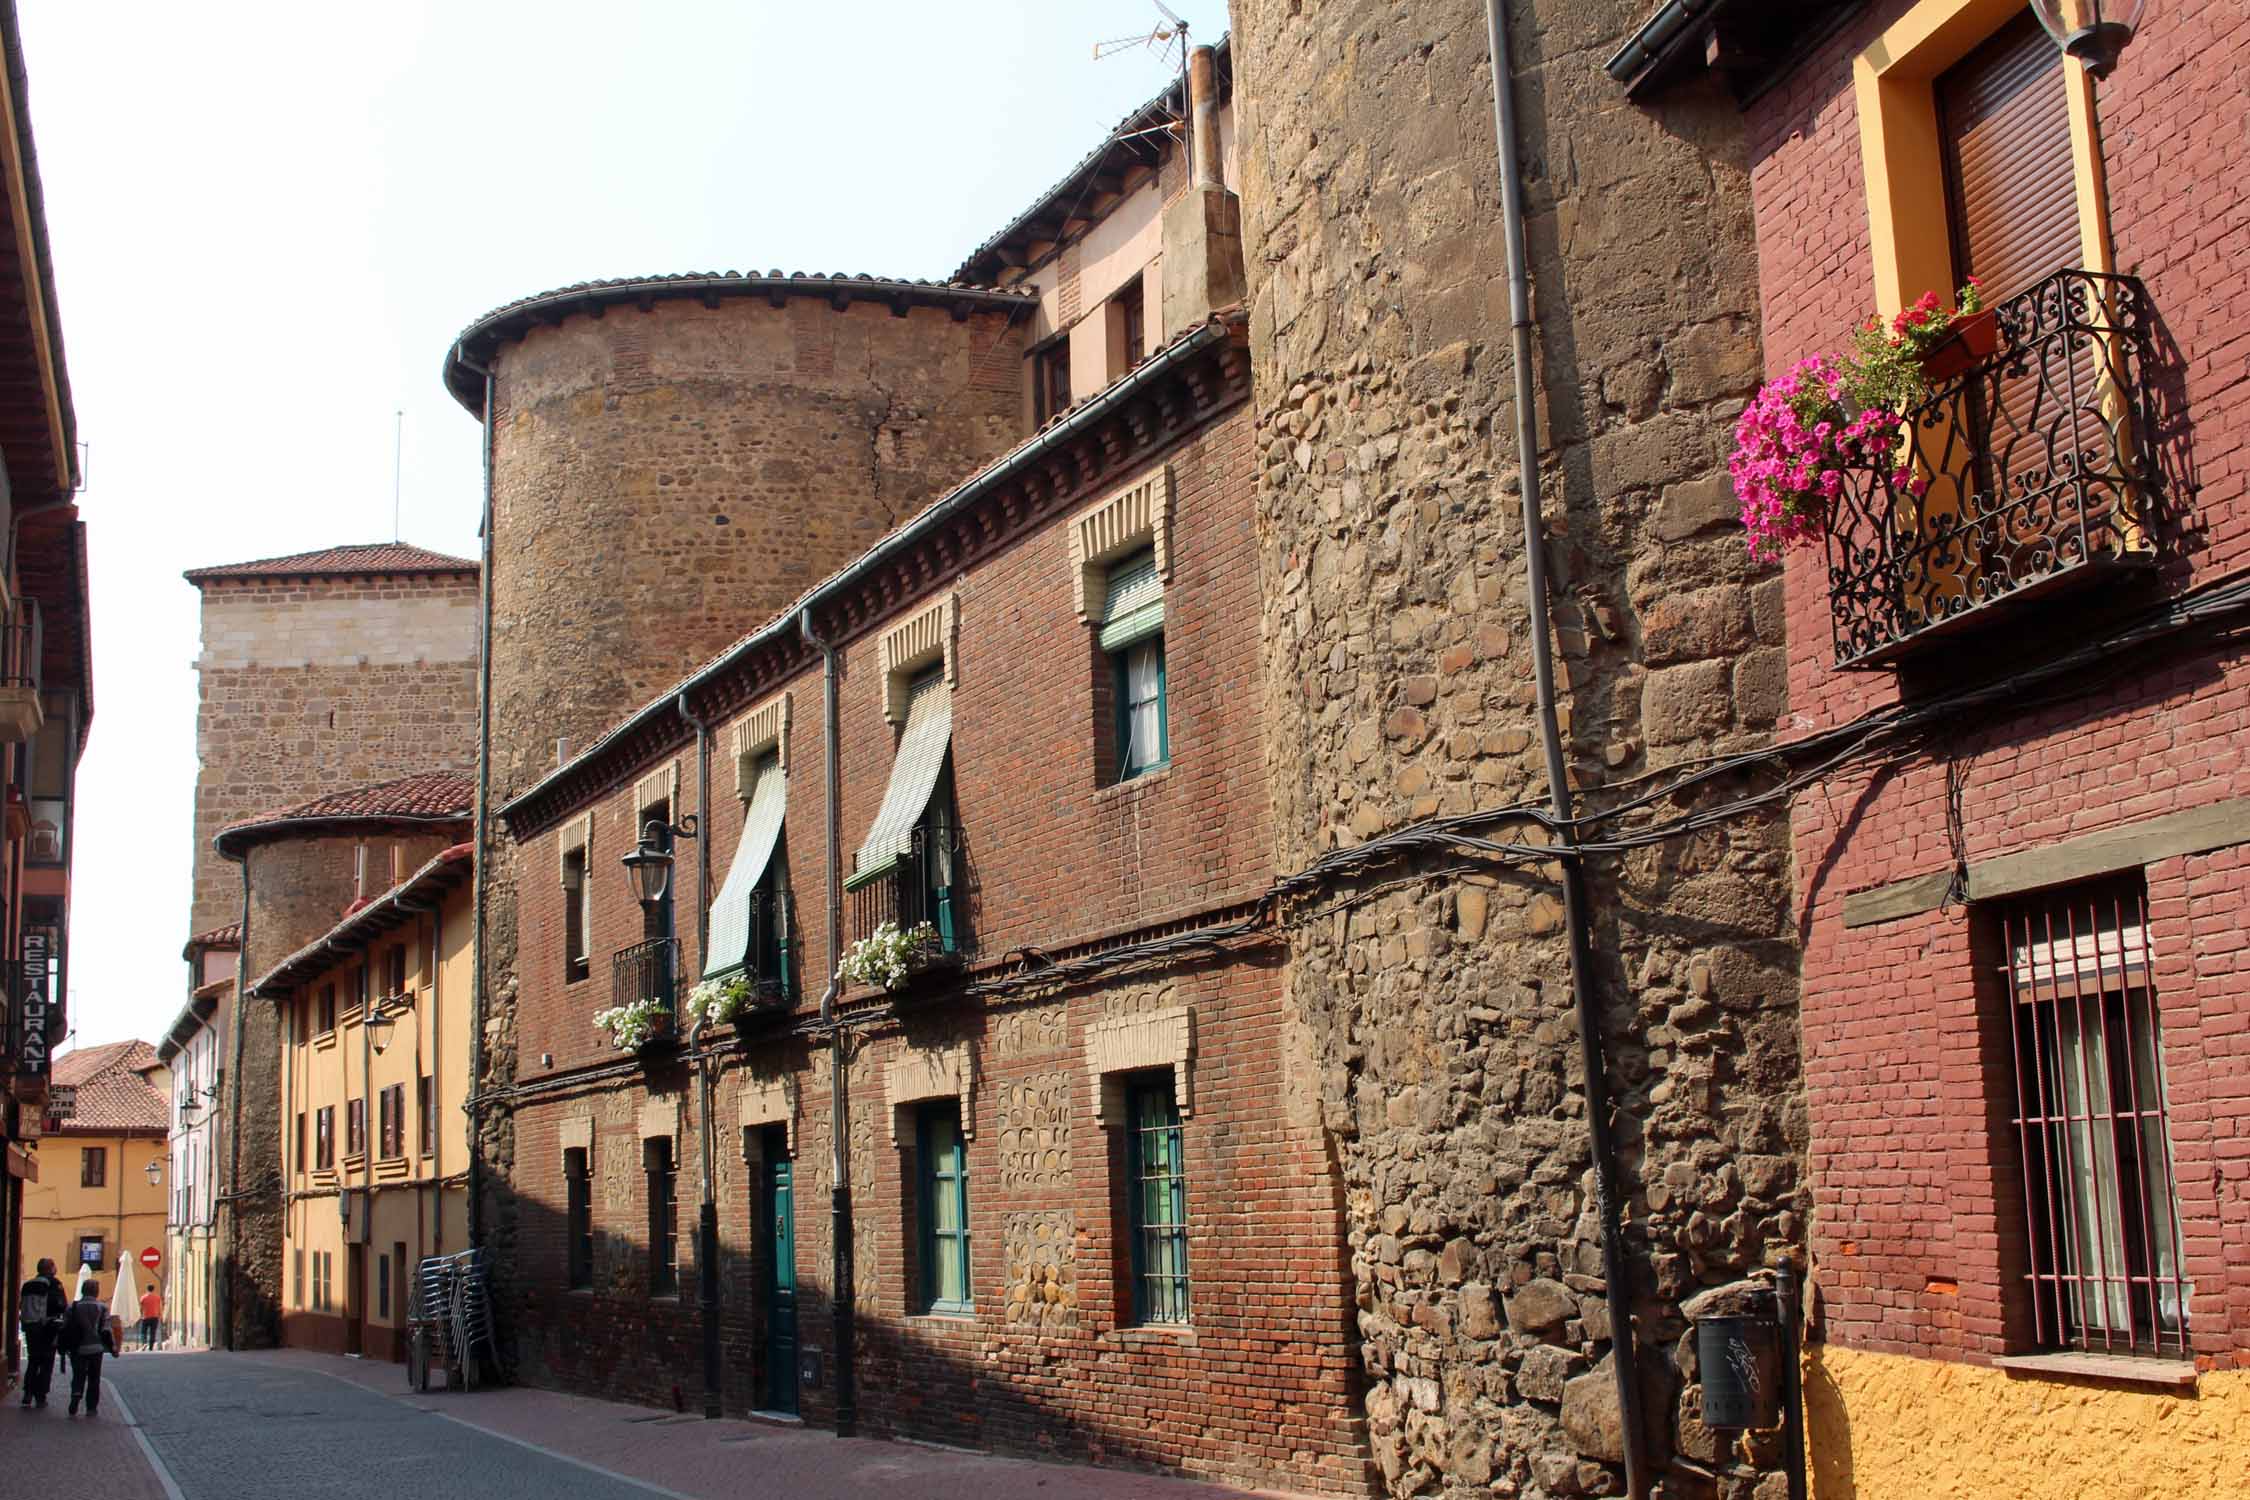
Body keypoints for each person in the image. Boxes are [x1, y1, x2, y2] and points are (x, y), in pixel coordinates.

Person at [59, 1278, 121, 1419]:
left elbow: (64, 1328)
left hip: (77, 1348)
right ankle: (91, 1408)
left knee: (78, 1374)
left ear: (82, 1290)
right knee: (94, 1378)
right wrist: (113, 1348)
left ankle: (76, 1393)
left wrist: (63, 1347)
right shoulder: (102, 1307)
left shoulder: (72, 1308)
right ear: (96, 1292)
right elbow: (106, 1331)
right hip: (96, 1348)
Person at [16, 1257, 67, 1408]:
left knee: (33, 1360)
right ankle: (41, 1395)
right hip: (47, 1327)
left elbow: (21, 1305)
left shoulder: (27, 1285)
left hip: (29, 1327)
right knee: (46, 1361)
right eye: (54, 1266)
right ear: (49, 1268)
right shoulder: (54, 1283)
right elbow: (60, 1305)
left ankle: (28, 1392)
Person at [137, 1284, 163, 1351]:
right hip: (155, 1317)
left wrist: (140, 1315)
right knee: (153, 1332)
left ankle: (144, 1343)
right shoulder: (157, 1297)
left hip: (145, 1317)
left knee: (143, 1332)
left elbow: (141, 1308)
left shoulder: (143, 1298)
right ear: (153, 1289)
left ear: (147, 1289)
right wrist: (160, 1315)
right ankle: (151, 1347)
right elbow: (159, 1307)